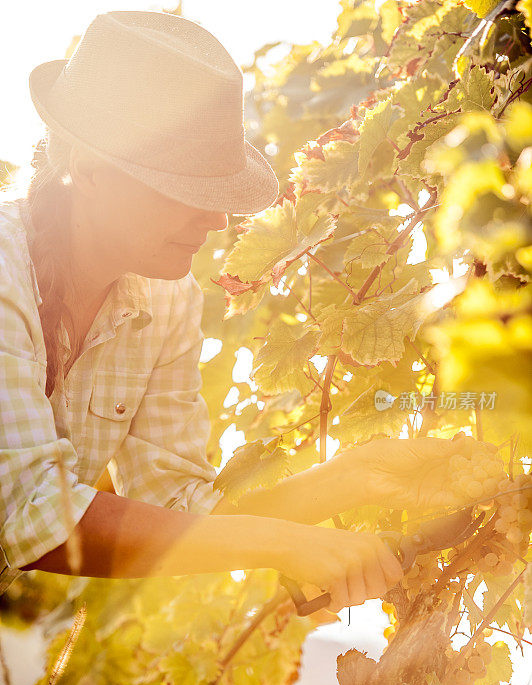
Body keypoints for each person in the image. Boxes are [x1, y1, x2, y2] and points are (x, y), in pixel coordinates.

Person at [0, 10, 483, 615]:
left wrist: (354, 476)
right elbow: (31, 513)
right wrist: (281, 544)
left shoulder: (166, 296)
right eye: (188, 190)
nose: (218, 220)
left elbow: (180, 513)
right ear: (91, 171)